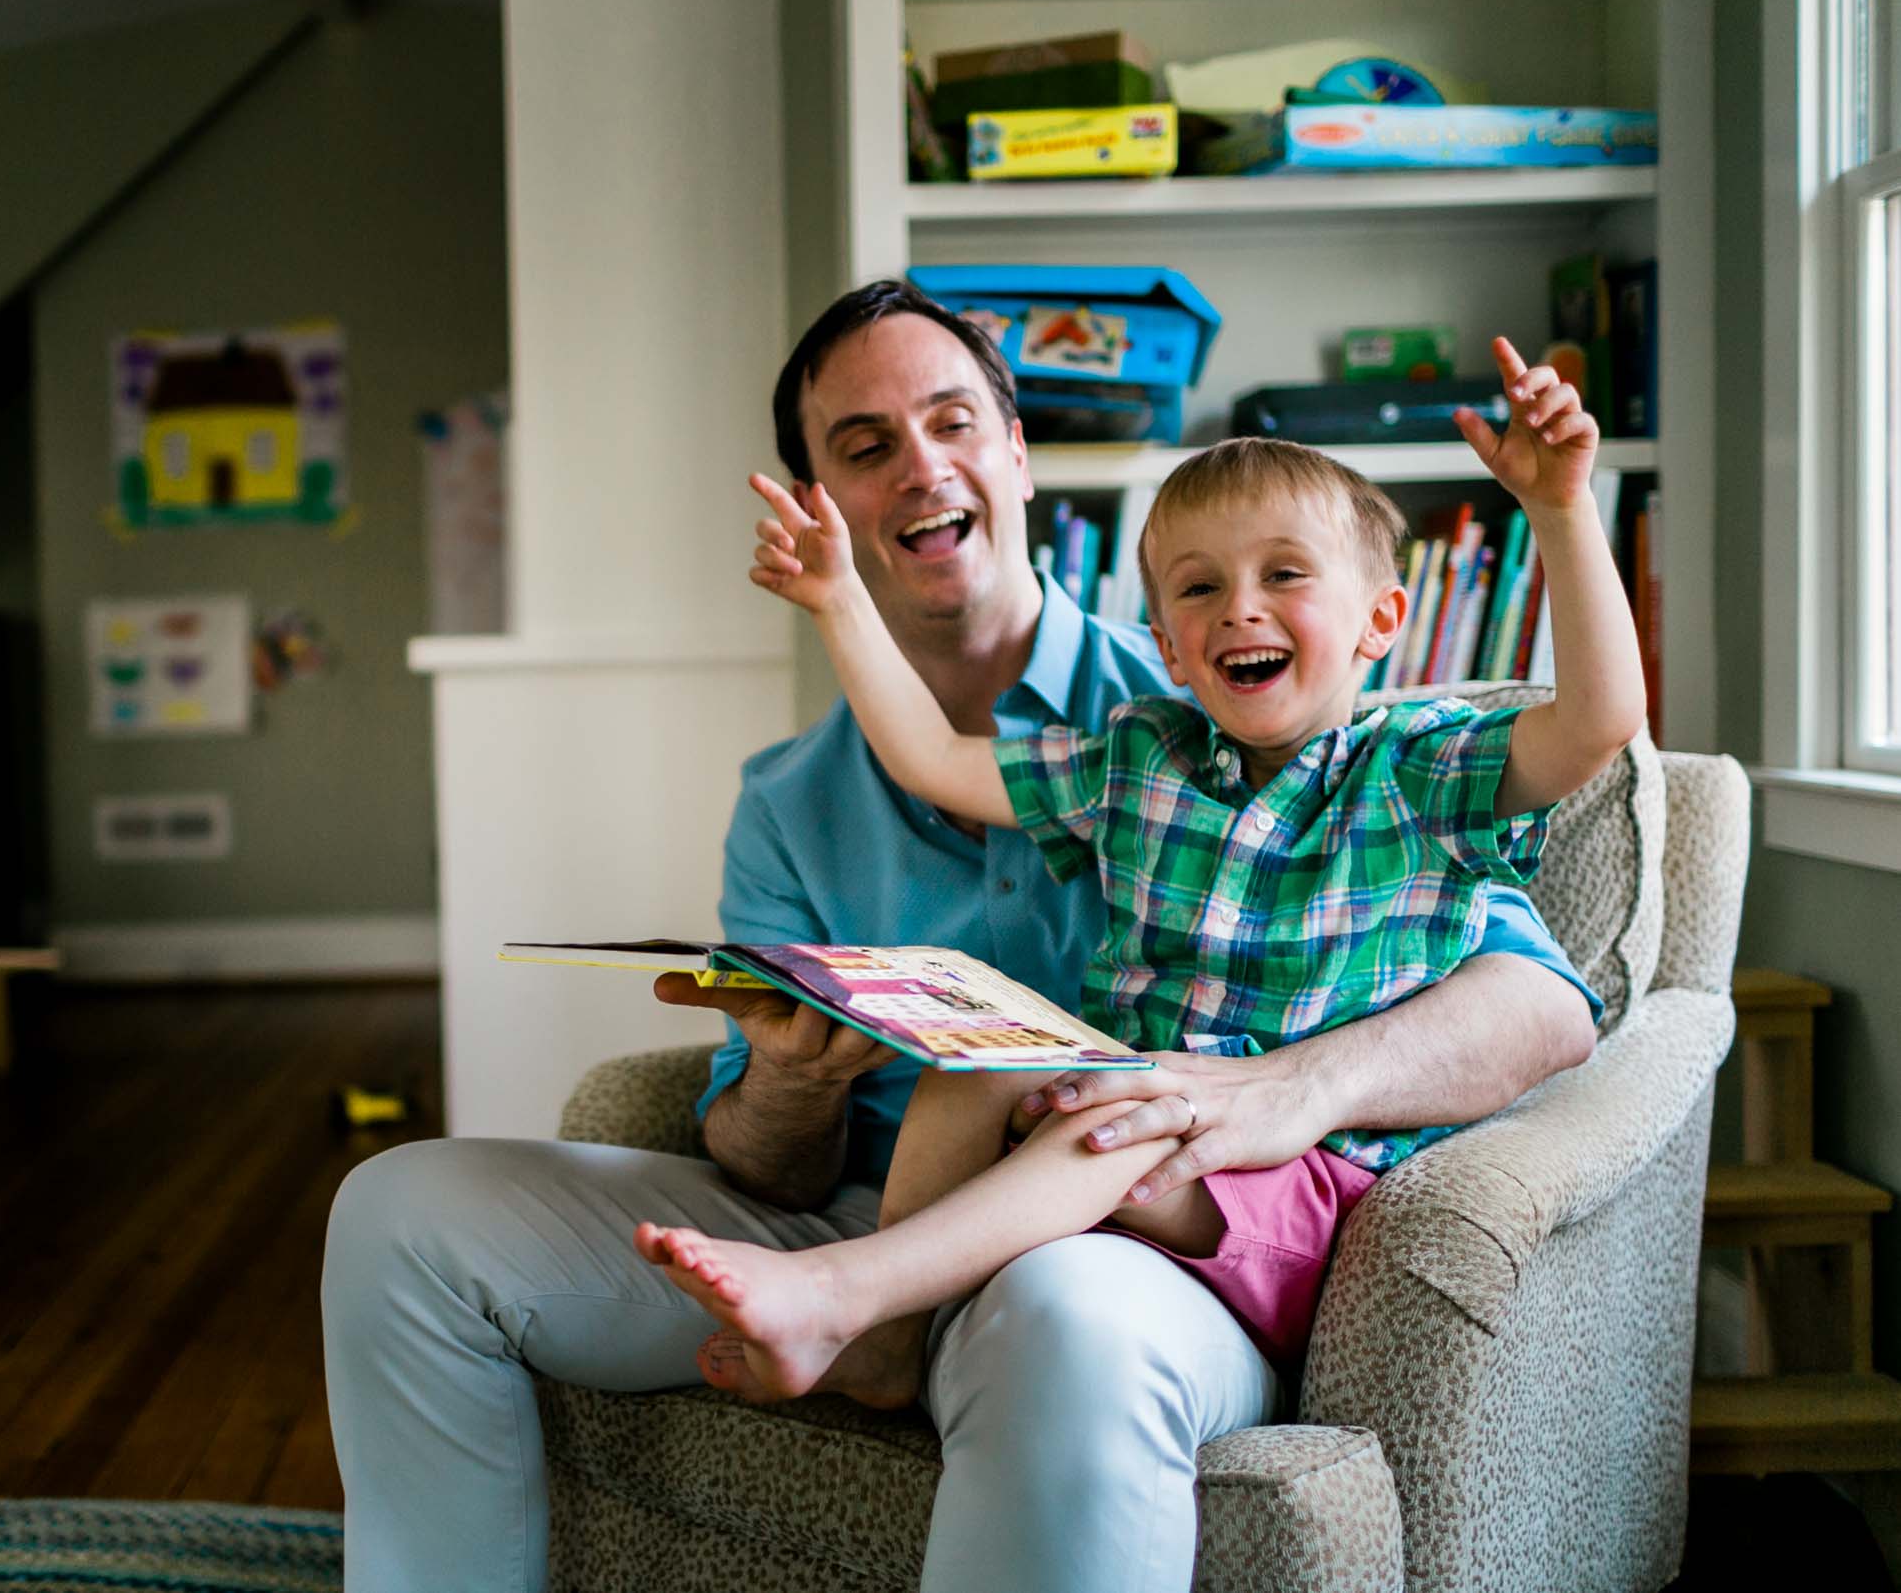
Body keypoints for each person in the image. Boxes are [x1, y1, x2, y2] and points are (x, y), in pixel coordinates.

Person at [320, 281, 1601, 1593]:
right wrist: (793, 1081)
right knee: (401, 1211)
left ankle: (890, 1309)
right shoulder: (791, 800)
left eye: (951, 422)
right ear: (818, 498)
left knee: (1066, 1314)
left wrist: (1287, 1087)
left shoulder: (1219, 722)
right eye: (866, 446)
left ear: (1017, 453)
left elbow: (1542, 1003)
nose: (921, 466)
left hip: (1116, 1246)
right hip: (855, 1222)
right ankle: (849, 1323)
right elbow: (759, 1157)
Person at [635, 350, 1641, 1403]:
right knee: (974, 1063)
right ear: (1165, 643)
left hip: (1302, 1182)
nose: (1238, 608)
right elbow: (932, 761)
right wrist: (840, 602)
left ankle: (838, 1292)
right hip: (1132, 1104)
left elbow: (1597, 722)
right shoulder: (1137, 760)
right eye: (1200, 588)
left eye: (1284, 575)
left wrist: (1561, 508)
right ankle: (889, 1347)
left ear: (1380, 623)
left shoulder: (1419, 769)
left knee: (1111, 1118)